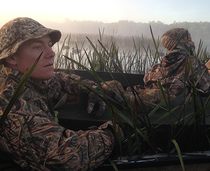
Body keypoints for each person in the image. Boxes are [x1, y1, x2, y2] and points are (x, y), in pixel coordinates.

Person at [0, 17, 121, 170]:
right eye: (38, 47)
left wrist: (92, 88)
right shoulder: (12, 104)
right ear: (11, 57)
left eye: (49, 45)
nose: (51, 53)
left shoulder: (27, 78)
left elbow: (61, 79)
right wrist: (112, 133)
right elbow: (66, 157)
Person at [143, 28, 210, 98]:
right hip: (181, 113)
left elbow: (146, 79)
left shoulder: (157, 66)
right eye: (190, 40)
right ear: (180, 43)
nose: (193, 43)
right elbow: (207, 90)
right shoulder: (192, 63)